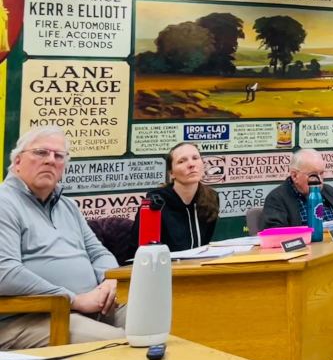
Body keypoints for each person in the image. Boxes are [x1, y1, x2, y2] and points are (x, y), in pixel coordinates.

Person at [0, 127, 123, 347]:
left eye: (58, 156)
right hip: (27, 318)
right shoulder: (4, 203)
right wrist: (74, 300)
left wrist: (108, 280)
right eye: (40, 153)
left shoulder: (68, 206)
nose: (50, 160)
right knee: (119, 344)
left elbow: (98, 252)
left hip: (90, 308)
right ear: (17, 161)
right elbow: (5, 273)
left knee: (158, 323)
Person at [134, 142, 218, 252]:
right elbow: (140, 250)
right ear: (171, 173)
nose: (191, 164)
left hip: (198, 266)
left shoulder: (211, 197)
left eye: (195, 158)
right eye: (181, 161)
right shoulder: (156, 202)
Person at [261, 148, 333, 229]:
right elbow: (276, 234)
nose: (319, 180)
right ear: (295, 176)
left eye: (322, 173)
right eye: (313, 175)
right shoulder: (277, 199)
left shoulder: (329, 192)